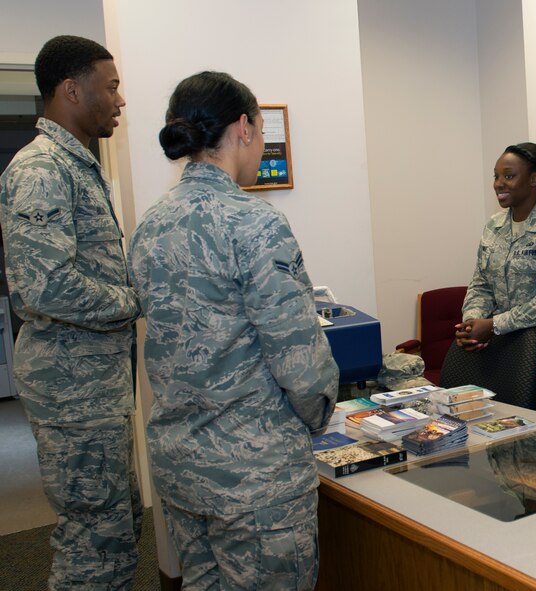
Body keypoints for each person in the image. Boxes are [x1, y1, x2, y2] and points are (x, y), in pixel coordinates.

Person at [128, 71, 339, 589]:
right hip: (256, 479)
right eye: (261, 129)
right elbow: (300, 361)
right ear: (242, 128)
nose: (262, 141)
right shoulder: (254, 222)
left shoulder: (150, 224)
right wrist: (318, 414)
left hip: (181, 468)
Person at [0, 35, 141, 589]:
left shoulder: (76, 164)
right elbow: (46, 286)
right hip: (72, 390)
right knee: (94, 545)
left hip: (94, 386)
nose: (119, 101)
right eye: (111, 87)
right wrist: (133, 301)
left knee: (115, 525)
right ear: (71, 89)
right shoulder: (41, 169)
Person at [456, 142, 536, 353]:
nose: (498, 184)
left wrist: (495, 324)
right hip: (497, 347)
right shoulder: (494, 226)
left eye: (508, 176)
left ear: (534, 179)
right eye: (496, 176)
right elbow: (481, 284)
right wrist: (471, 322)